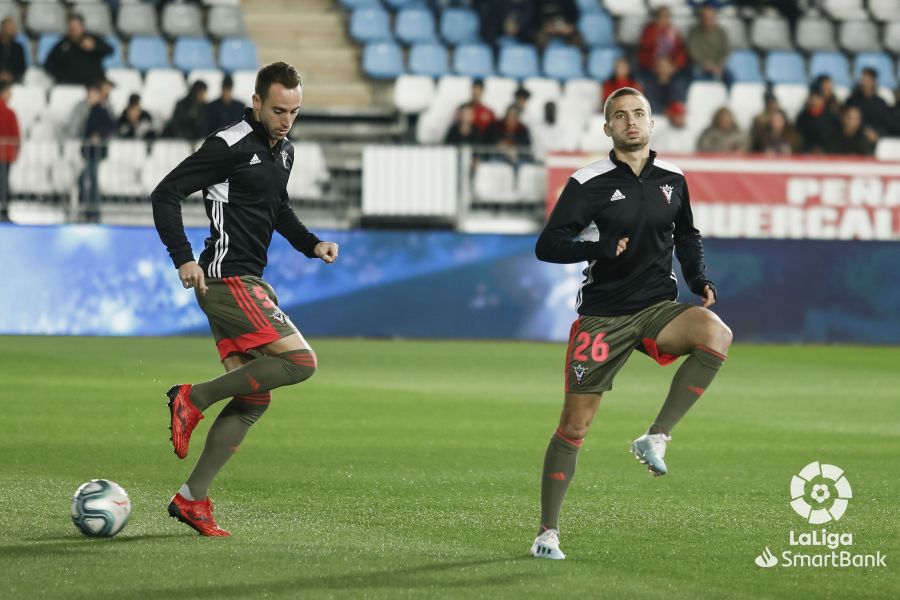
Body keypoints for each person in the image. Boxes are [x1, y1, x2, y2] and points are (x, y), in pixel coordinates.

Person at [530, 86, 730, 560]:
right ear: (608, 128)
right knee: (575, 428)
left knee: (715, 333)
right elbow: (549, 244)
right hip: (603, 316)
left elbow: (685, 233)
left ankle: (655, 437)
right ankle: (546, 533)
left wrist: (698, 276)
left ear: (652, 123)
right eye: (620, 116)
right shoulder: (589, 182)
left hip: (656, 307)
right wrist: (595, 248)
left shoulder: (673, 178)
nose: (631, 121)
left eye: (639, 113)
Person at [151, 62, 339, 537]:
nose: (286, 119)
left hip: (248, 280)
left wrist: (311, 243)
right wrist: (183, 257)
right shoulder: (229, 144)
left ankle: (192, 499)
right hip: (226, 279)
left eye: (294, 111)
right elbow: (166, 192)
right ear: (256, 102)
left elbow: (277, 209)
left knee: (254, 397)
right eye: (278, 110)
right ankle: (192, 396)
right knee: (301, 362)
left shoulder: (284, 151)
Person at [80, 79, 115, 222]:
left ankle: (92, 210)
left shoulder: (101, 110)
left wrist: (99, 135)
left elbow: (111, 127)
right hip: (89, 152)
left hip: (95, 153)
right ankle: (89, 208)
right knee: (86, 179)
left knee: (90, 179)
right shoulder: (89, 110)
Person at [44, 14, 112, 86]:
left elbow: (109, 50)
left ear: (83, 27)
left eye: (76, 26)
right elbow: (48, 64)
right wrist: (61, 76)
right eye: (71, 26)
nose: (74, 29)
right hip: (68, 85)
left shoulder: (93, 40)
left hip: (93, 84)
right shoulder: (62, 45)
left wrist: (95, 46)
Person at [686, 5, 732, 88]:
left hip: (717, 65)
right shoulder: (694, 32)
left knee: (730, 77)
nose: (709, 20)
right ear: (701, 18)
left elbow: (726, 50)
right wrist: (705, 64)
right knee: (697, 74)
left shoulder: (722, 32)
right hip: (700, 65)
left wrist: (718, 65)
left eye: (712, 17)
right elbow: (693, 51)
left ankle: (728, 99)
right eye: (706, 18)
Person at [844, 68, 897, 138]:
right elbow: (845, 120)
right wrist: (863, 131)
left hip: (877, 139)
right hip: (855, 138)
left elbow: (887, 124)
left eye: (868, 79)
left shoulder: (881, 103)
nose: (865, 82)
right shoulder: (852, 101)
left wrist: (877, 133)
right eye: (863, 79)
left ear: (874, 81)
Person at [637, 6, 688, 77]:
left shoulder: (674, 31)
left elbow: (680, 51)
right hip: (652, 65)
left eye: (666, 16)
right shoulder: (649, 29)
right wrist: (654, 65)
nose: (663, 18)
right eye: (660, 15)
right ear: (656, 16)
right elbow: (644, 50)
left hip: (671, 65)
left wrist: (675, 65)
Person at [795, 86, 840, 154]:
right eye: (812, 98)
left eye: (817, 98)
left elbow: (834, 138)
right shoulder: (802, 117)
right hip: (807, 153)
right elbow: (799, 138)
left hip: (828, 154)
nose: (814, 101)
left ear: (822, 100)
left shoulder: (831, 117)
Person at [0, 80, 19, 222]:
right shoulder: (10, 113)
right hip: (5, 155)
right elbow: (16, 135)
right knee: (4, 184)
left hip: (5, 154)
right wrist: (16, 152)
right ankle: (4, 212)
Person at [0, 17, 26, 84]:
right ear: (2, 28)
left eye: (14, 28)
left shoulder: (18, 48)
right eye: (9, 28)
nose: (13, 30)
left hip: (12, 82)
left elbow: (22, 68)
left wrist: (12, 76)